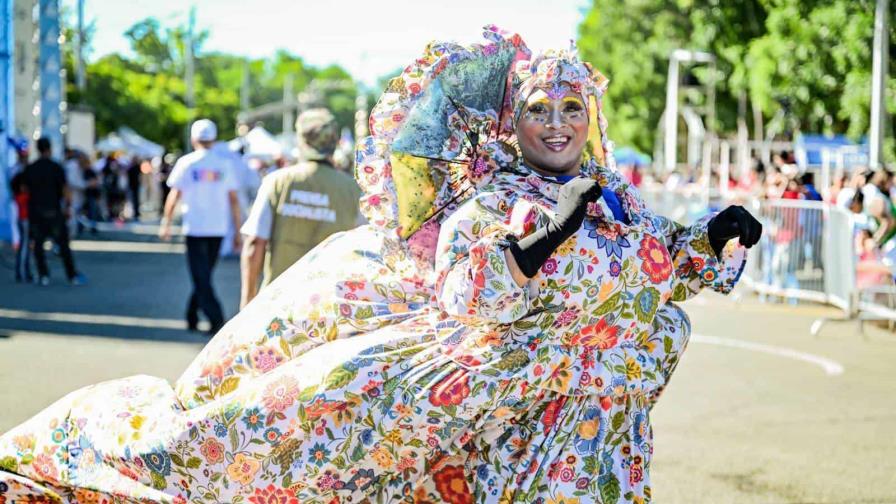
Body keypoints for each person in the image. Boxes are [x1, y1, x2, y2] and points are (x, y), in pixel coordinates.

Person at [0, 29, 761, 503]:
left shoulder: (617, 202)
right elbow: (473, 292)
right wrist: (542, 238)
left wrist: (710, 237)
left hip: (593, 428)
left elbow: (660, 265)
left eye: (571, 109)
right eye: (538, 109)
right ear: (512, 121)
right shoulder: (494, 197)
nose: (557, 124)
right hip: (481, 407)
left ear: (590, 116)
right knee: (239, 452)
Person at [239, 108, 362, 307]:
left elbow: (254, 243)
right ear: (335, 142)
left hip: (277, 303)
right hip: (329, 307)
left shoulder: (278, 182)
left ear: (301, 140)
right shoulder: (354, 190)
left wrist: (247, 301)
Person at [159, 119, 242, 334]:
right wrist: (238, 230)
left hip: (195, 227)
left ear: (193, 139)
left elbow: (174, 195)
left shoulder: (187, 163)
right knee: (203, 275)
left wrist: (165, 222)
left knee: (201, 276)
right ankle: (192, 315)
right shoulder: (224, 164)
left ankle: (217, 319)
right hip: (218, 228)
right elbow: (234, 200)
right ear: (214, 139)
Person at [21, 137, 85, 286]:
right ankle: (71, 275)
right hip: (54, 210)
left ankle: (43, 275)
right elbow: (65, 190)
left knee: (38, 245)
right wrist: (68, 207)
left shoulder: (31, 168)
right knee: (63, 245)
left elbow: (24, 189)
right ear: (49, 149)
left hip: (36, 211)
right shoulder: (56, 167)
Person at [10, 171, 33, 283]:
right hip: (24, 221)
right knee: (24, 248)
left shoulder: (18, 197)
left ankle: (24, 272)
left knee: (26, 248)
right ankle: (23, 272)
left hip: (24, 221)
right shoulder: (22, 197)